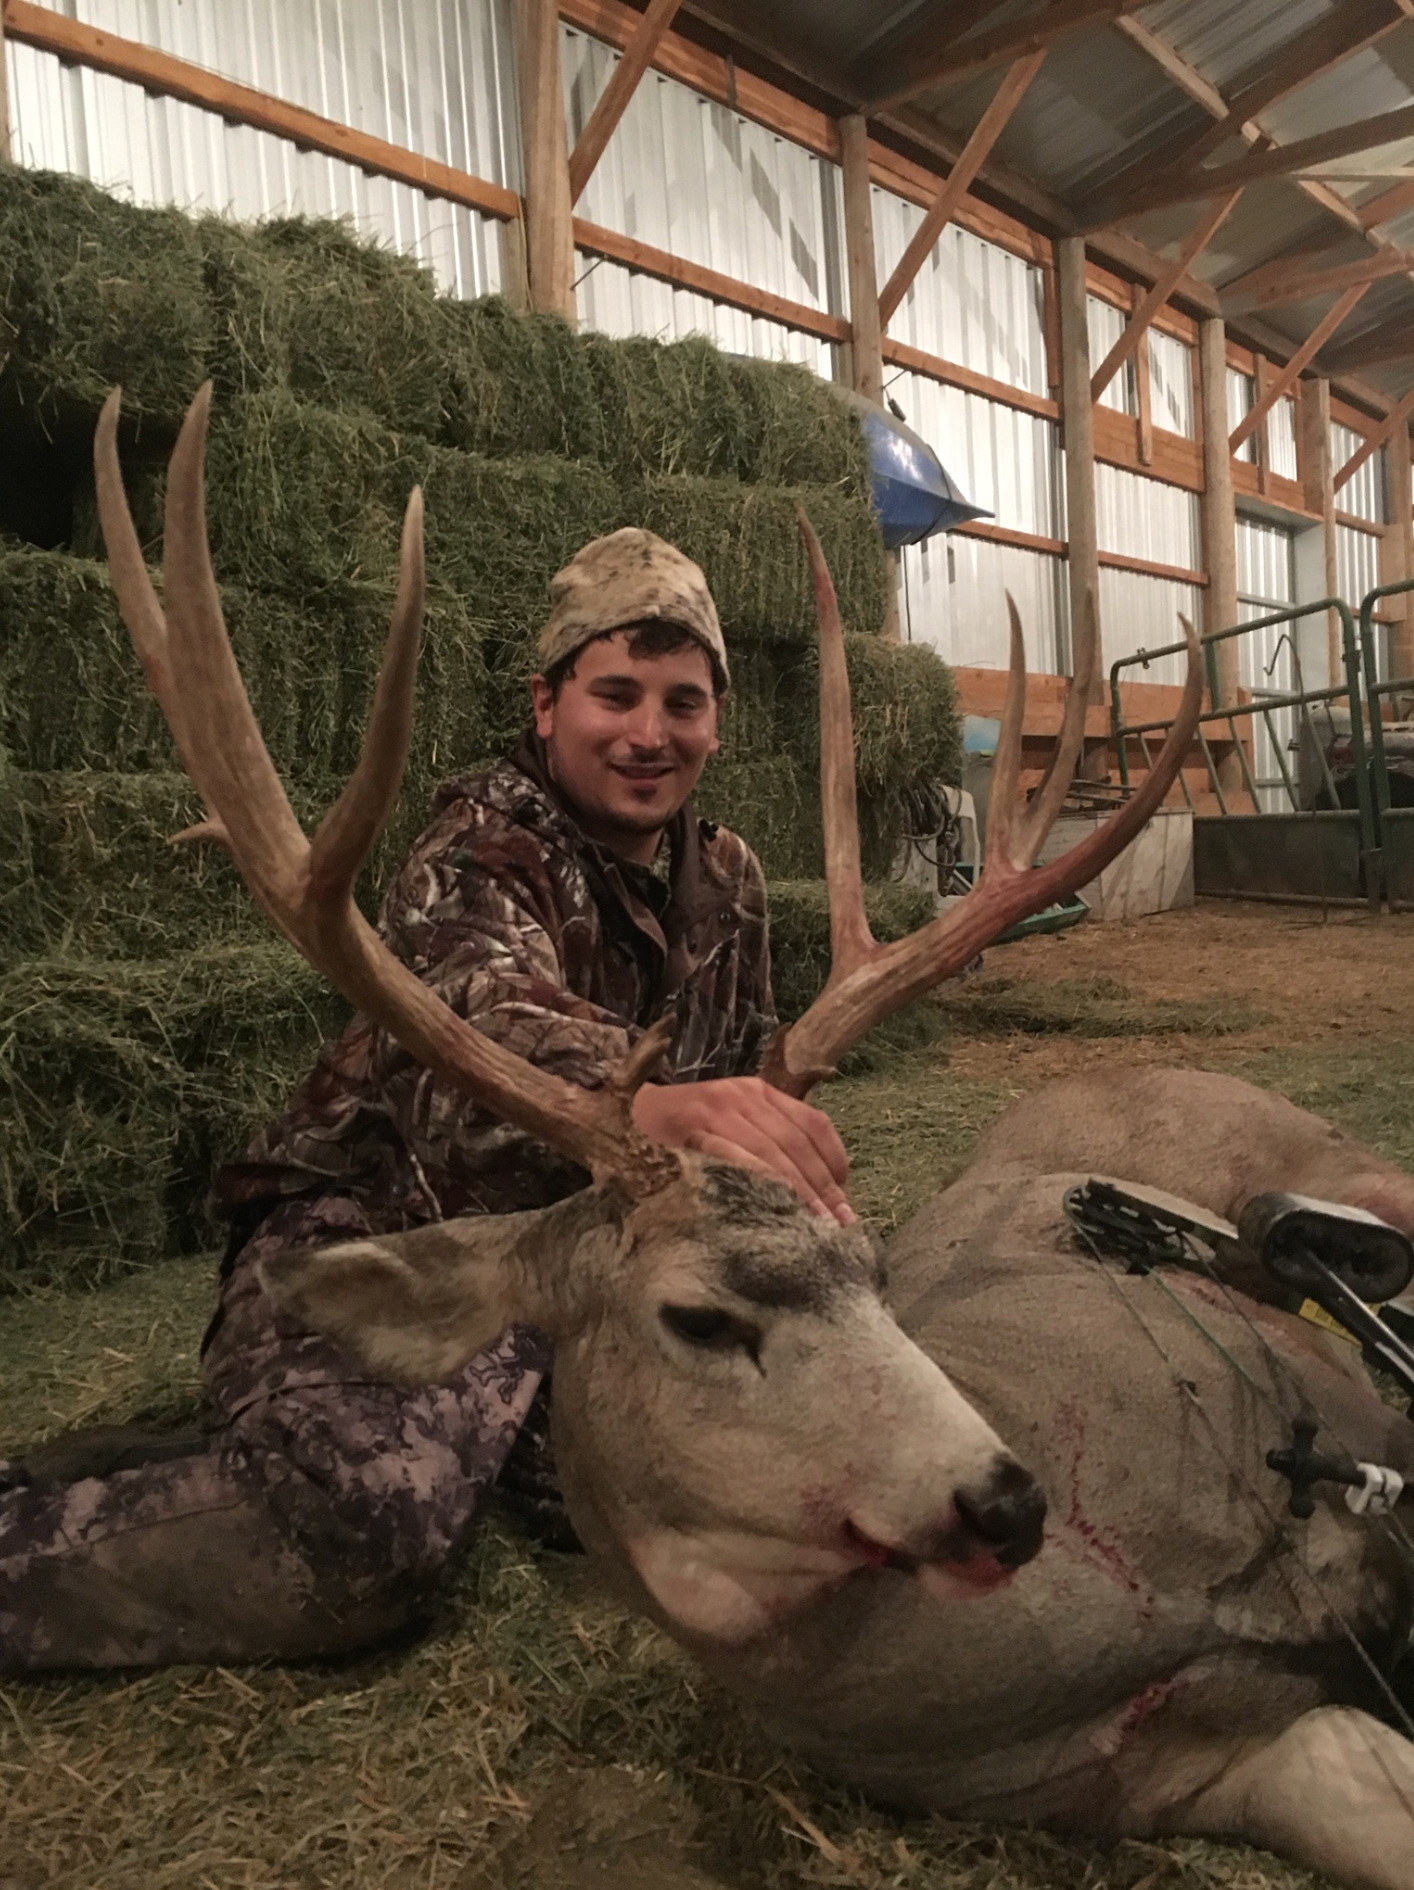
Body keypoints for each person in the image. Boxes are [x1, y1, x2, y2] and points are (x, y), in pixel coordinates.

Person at [0, 527, 852, 1672]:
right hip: (378, 1221)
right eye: (615, 694)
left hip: (585, 1253)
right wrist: (651, 1109)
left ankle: (244, 1443)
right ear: (545, 705)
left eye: (682, 701)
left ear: (717, 719)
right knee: (366, 1524)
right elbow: (475, 1031)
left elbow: (741, 1075)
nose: (651, 734)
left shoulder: (731, 878)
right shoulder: (477, 847)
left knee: (707, 1473)